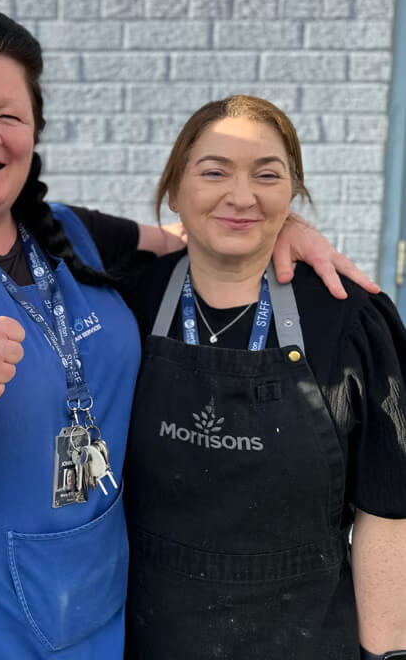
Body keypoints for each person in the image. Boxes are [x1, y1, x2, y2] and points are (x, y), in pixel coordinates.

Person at [0, 9, 374, 659]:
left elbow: (198, 233)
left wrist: (280, 224)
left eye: (11, 116)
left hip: (86, 617)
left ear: (33, 134)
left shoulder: (70, 234)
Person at [120, 95, 406, 660]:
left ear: (292, 194)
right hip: (148, 633)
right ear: (174, 191)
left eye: (267, 175)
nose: (242, 195)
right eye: (214, 172)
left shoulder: (349, 321)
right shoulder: (127, 303)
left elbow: (388, 513)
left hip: (305, 637)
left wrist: (386, 655)